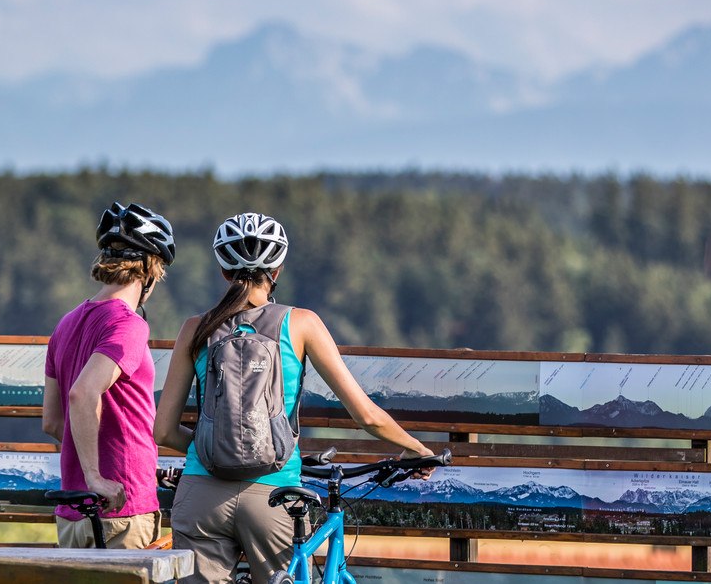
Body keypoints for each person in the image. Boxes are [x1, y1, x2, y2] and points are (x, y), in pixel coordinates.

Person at [154, 211, 433, 582]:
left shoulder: (195, 328)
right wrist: (417, 449)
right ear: (278, 269)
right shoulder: (301, 323)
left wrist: (215, 446)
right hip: (274, 492)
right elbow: (366, 416)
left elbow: (163, 432)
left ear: (223, 270)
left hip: (200, 492)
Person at [42, 201, 175, 549]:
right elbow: (83, 394)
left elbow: (53, 422)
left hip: (72, 514)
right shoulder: (128, 325)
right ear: (149, 270)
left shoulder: (65, 324)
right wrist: (96, 476)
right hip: (121, 512)